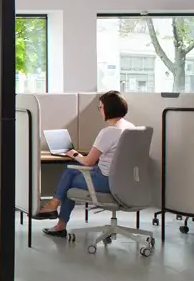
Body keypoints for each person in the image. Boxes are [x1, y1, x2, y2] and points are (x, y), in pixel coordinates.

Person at [34, 90, 135, 237]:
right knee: (72, 171)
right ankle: (56, 215)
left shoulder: (109, 131)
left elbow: (88, 162)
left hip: (107, 181)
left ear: (108, 108)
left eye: (100, 107)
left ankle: (54, 210)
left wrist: (74, 154)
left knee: (69, 176)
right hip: (125, 180)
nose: (100, 111)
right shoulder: (130, 127)